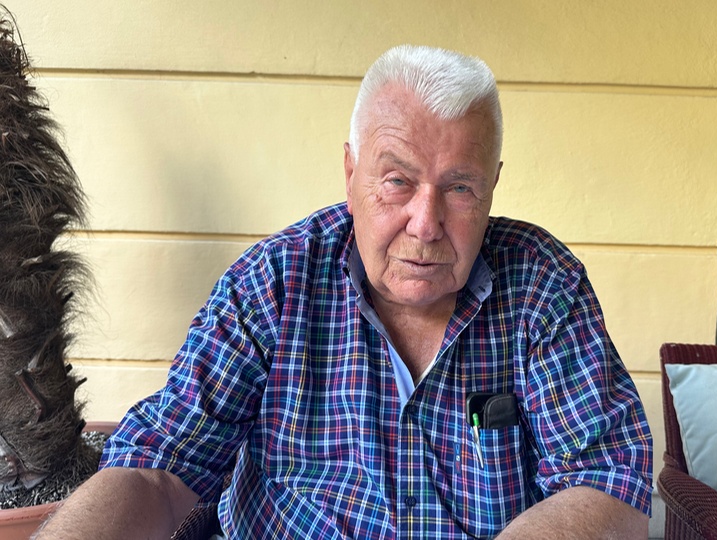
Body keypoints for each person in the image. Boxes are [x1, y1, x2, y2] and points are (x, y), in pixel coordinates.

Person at [37, 45, 652, 539]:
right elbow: (157, 470)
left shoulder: (543, 285)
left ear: (492, 187)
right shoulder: (276, 282)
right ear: (351, 173)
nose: (426, 223)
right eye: (397, 180)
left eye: (460, 188)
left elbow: (606, 481)